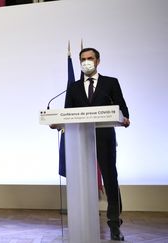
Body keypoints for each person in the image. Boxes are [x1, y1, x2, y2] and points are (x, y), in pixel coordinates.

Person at [65, 48, 130, 241]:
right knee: (82, 180)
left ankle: (114, 224)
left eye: (90, 58)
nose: (87, 62)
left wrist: (125, 117)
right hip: (81, 139)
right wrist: (56, 123)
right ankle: (82, 222)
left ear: (98, 61)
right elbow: (68, 112)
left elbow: (122, 107)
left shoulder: (110, 83)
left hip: (104, 138)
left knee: (110, 180)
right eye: (83, 59)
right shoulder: (73, 87)